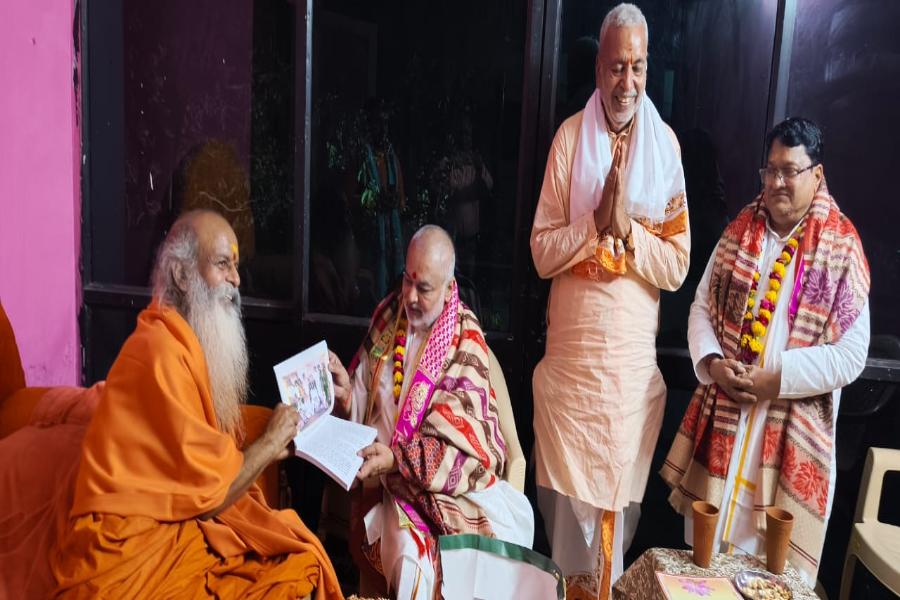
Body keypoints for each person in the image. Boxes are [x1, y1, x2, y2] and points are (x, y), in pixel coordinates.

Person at [51, 210, 343, 599]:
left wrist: (271, 447)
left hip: (174, 519)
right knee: (291, 567)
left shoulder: (185, 341)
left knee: (291, 556)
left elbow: (195, 464)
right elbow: (208, 497)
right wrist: (269, 443)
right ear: (182, 275)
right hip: (131, 542)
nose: (237, 280)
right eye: (223, 264)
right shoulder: (158, 352)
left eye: (236, 266)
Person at [661, 117, 870, 585]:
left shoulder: (841, 246)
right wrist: (713, 364)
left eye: (790, 172)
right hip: (727, 424)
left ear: (817, 175)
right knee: (704, 565)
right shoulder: (739, 231)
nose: (776, 182)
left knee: (767, 579)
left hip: (788, 432)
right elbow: (700, 307)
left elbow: (852, 355)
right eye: (770, 170)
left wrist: (777, 379)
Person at [529, 4, 690, 598]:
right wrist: (595, 223)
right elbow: (542, 252)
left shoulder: (666, 147)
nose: (628, 82)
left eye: (638, 67)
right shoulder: (570, 139)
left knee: (614, 520)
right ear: (598, 69)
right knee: (568, 513)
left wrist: (628, 228)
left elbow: (676, 266)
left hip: (625, 376)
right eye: (617, 66)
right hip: (572, 372)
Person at [332, 225, 534, 599]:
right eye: (406, 280)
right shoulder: (387, 316)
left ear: (448, 285)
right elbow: (365, 407)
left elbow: (465, 447)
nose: (409, 295)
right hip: (387, 484)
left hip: (444, 489)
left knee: (425, 564)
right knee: (410, 559)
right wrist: (346, 397)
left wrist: (396, 458)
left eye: (423, 287)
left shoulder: (466, 341)